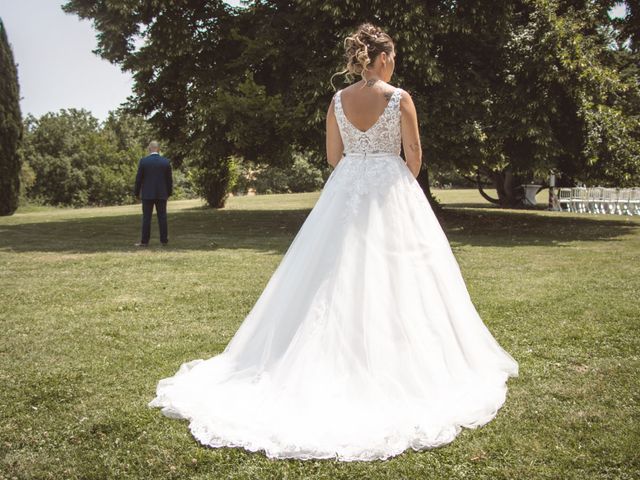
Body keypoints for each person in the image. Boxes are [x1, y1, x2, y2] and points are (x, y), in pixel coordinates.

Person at [149, 23, 518, 461]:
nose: (395, 63)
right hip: (388, 184)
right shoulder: (399, 97)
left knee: (332, 271)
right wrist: (397, 182)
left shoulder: (337, 100)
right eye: (393, 56)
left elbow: (332, 157)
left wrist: (360, 169)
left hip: (346, 185)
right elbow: (414, 153)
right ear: (382, 58)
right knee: (401, 274)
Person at [134, 141, 173, 246]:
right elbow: (169, 180)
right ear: (158, 149)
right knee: (162, 217)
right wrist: (169, 193)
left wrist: (136, 193)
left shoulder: (143, 162)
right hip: (162, 194)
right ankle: (164, 241)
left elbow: (138, 179)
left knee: (146, 218)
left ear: (149, 148)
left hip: (147, 194)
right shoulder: (165, 162)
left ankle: (144, 242)